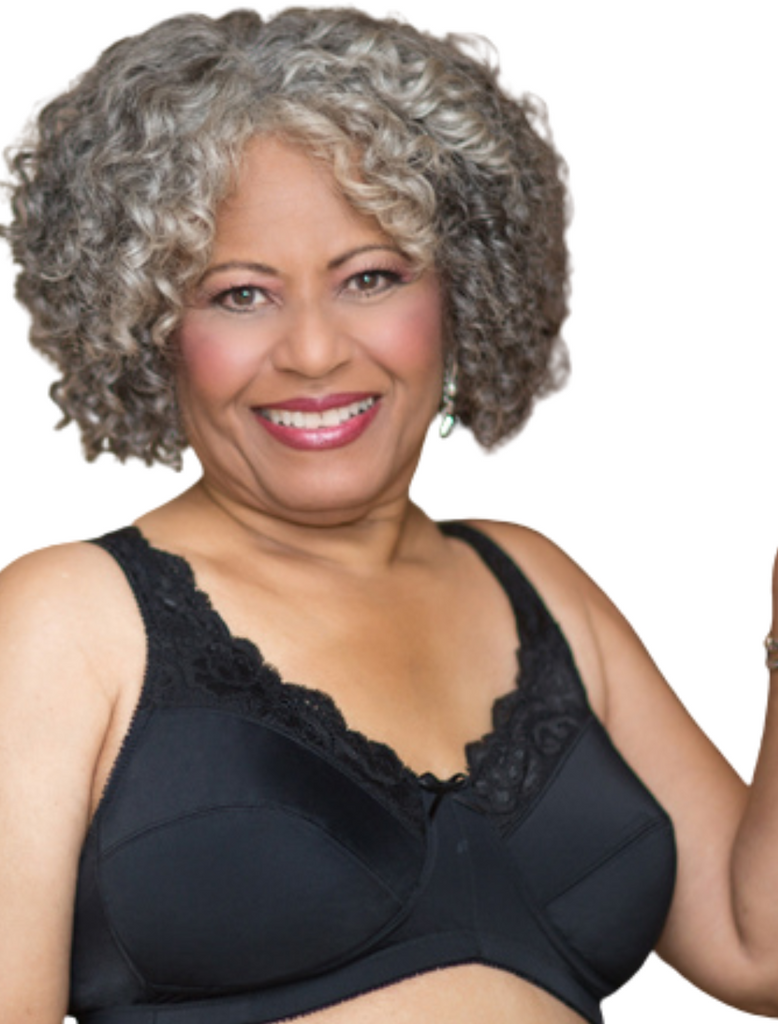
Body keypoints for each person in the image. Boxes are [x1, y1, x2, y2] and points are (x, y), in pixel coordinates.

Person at [0, 7, 776, 1024]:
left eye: (370, 278)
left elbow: (759, 948)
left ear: (462, 293)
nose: (315, 352)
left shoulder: (533, 581)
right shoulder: (69, 621)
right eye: (240, 295)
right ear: (147, 325)